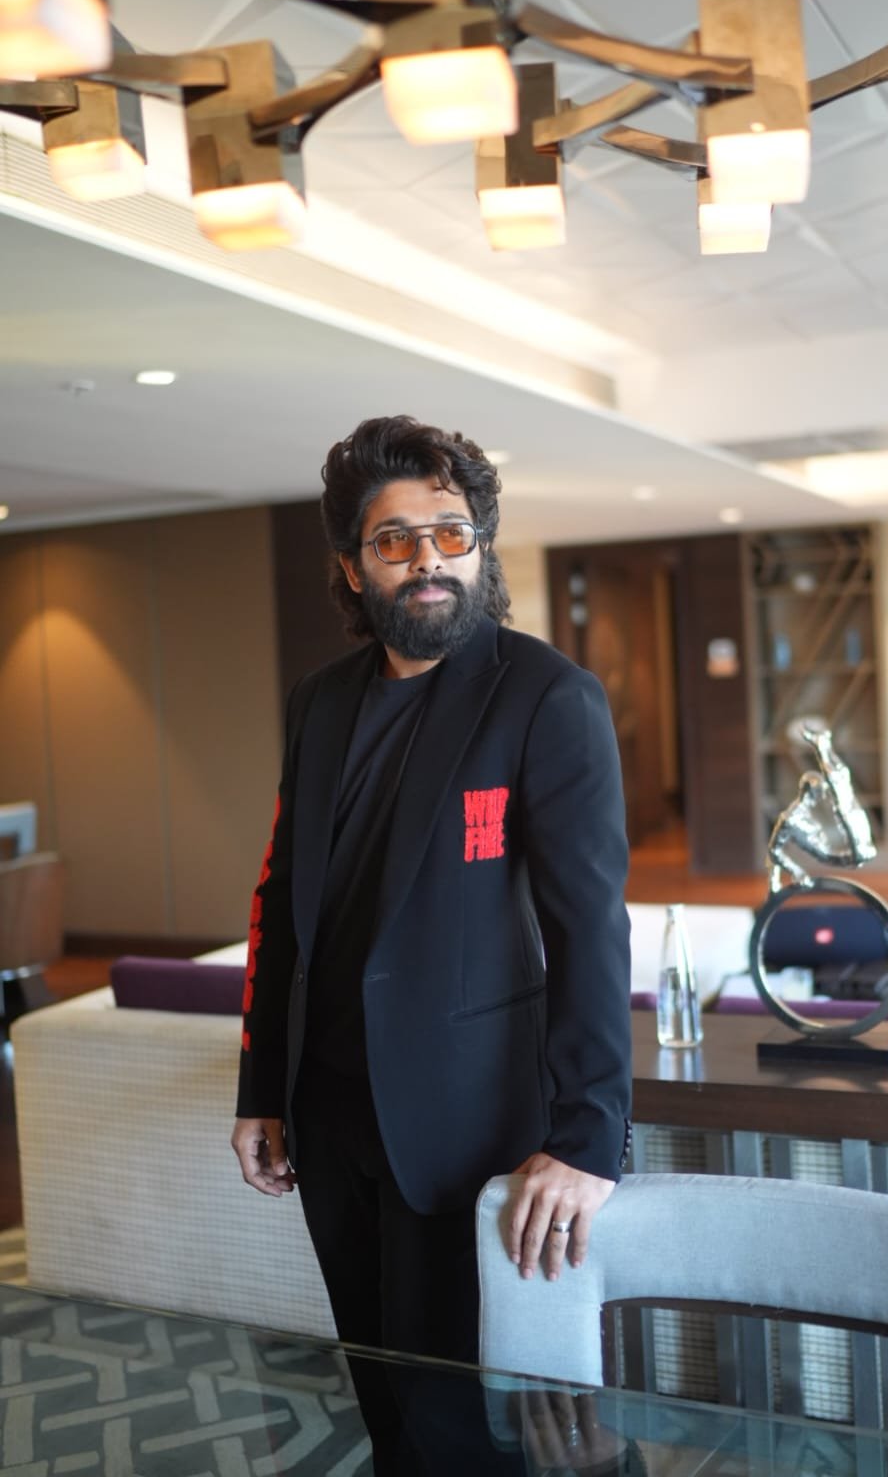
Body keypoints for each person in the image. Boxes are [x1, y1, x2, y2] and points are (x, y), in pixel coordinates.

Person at [231, 415, 632, 1474]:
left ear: (480, 547)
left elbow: (588, 924)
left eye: (451, 534)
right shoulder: (319, 703)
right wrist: (262, 1085)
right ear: (351, 565)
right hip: (328, 1116)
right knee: (386, 1405)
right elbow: (281, 901)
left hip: (467, 1124)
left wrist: (589, 1135)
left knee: (467, 1421)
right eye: (394, 539)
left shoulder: (545, 696)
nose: (427, 560)